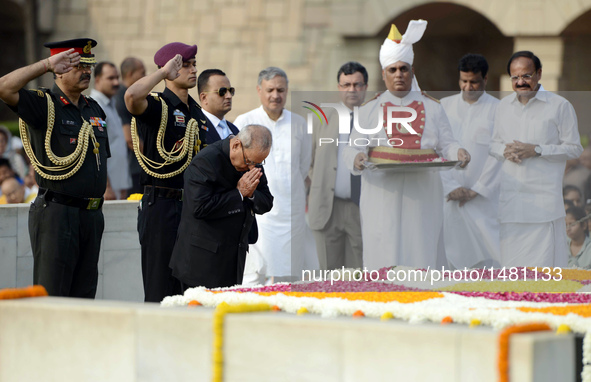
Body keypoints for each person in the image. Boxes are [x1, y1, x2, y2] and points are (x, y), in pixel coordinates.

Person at [343, 20, 470, 270]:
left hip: (422, 190)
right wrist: (357, 158)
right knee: (383, 246)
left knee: (420, 247)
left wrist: (460, 152)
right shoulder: (369, 109)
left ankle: (422, 301)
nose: (399, 74)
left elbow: (448, 144)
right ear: (384, 74)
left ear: (412, 72)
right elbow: (352, 147)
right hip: (382, 189)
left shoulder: (434, 107)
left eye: (403, 69)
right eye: (393, 70)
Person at [0, 38, 110, 297]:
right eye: (78, 65)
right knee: (53, 295)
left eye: (88, 65)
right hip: (58, 214)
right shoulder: (44, 104)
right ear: (59, 69)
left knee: (84, 295)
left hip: (91, 215)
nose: (86, 71)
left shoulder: (93, 109)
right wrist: (45, 65)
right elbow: (4, 87)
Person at [125, 42, 207, 302]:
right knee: (160, 287)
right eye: (186, 65)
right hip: (161, 204)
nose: (193, 69)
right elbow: (131, 98)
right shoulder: (157, 105)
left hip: (191, 207)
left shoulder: (196, 112)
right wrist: (163, 73)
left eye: (194, 63)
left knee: (190, 289)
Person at [489, 50, 583, 267]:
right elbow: (493, 144)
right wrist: (504, 151)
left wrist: (538, 150)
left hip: (543, 205)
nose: (520, 82)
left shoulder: (559, 106)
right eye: (515, 78)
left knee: (544, 273)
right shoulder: (502, 106)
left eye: (526, 76)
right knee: (512, 271)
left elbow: (574, 148)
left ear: (539, 74)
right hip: (511, 204)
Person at [233, 67, 317, 283]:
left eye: (280, 90)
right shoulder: (245, 121)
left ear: (287, 91)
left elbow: (302, 165)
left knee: (290, 272)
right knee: (254, 271)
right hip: (259, 208)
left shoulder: (298, 123)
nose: (275, 95)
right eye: (270, 90)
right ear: (259, 90)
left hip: (291, 209)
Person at [170, 125, 274, 288]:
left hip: (233, 258)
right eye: (249, 161)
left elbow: (266, 201)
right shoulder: (206, 161)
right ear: (236, 145)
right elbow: (200, 207)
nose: (251, 168)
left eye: (258, 163)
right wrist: (239, 193)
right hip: (201, 261)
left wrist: (251, 194)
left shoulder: (253, 162)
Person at [440, 53, 500, 269]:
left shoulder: (499, 110)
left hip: (484, 200)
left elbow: (499, 155)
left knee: (489, 258)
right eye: (464, 81)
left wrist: (477, 189)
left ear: (485, 79)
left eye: (474, 82)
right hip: (448, 198)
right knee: (449, 257)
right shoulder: (443, 107)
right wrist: (450, 187)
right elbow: (436, 149)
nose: (468, 87)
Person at [308, 61, 366, 270]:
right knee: (328, 276)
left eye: (357, 84)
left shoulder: (375, 119)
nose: (352, 90)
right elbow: (310, 161)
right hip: (327, 208)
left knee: (360, 274)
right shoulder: (321, 117)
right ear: (339, 87)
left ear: (365, 87)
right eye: (346, 84)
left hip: (361, 209)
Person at [91, 61, 131, 200]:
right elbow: (95, 150)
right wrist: (106, 186)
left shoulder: (112, 103)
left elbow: (117, 146)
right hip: (106, 189)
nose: (116, 82)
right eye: (110, 78)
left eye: (117, 77)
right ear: (97, 80)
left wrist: (123, 184)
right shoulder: (94, 106)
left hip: (118, 185)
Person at [115, 57, 146, 195]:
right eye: (142, 73)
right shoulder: (122, 97)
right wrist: (152, 157)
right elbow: (130, 139)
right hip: (134, 167)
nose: (144, 77)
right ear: (130, 74)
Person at [197, 69, 240, 141]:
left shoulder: (234, 130)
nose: (229, 96)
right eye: (222, 92)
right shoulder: (196, 128)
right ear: (204, 98)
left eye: (230, 91)